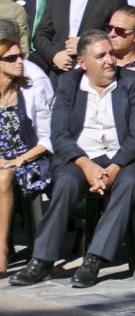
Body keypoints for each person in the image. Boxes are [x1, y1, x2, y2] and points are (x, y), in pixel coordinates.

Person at [11, 30, 135, 288]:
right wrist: (86, 166)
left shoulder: (134, 83)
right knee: (65, 182)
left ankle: (94, 259)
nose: (110, 60)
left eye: (111, 53)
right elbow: (60, 135)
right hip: (81, 158)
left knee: (129, 183)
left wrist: (115, 167)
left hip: (123, 158)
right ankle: (42, 259)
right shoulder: (69, 83)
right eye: (101, 56)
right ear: (83, 63)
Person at [0, 37, 50, 274]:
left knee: (3, 177)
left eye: (21, 56)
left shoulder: (32, 89)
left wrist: (20, 159)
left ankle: (1, 248)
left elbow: (47, 138)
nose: (20, 62)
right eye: (11, 58)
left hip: (27, 159)